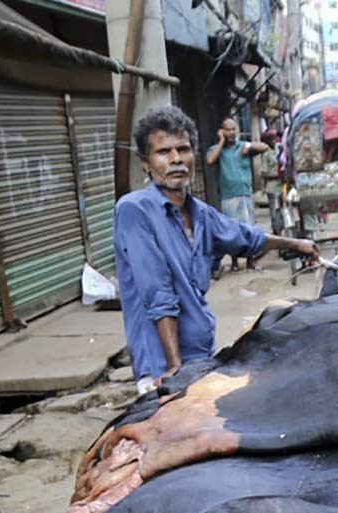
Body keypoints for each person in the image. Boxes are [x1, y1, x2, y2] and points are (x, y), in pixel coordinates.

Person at [114, 106, 319, 394]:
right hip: (164, 368)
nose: (176, 159)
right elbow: (157, 293)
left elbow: (247, 238)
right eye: (164, 152)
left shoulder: (200, 214)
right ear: (145, 163)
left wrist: (297, 244)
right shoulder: (134, 211)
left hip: (200, 356)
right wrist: (176, 369)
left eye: (183, 149)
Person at [206, 117, 268, 271]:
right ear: (222, 131)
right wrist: (220, 142)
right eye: (228, 129)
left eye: (234, 129)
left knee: (249, 228)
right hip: (229, 197)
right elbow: (209, 160)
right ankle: (234, 262)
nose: (232, 132)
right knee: (232, 231)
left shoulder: (243, 147)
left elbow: (264, 147)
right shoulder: (216, 150)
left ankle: (251, 260)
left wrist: (248, 145)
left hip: (245, 195)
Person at [259, 129, 282, 233]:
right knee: (274, 210)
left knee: (281, 209)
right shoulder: (266, 154)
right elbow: (263, 172)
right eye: (272, 139)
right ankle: (275, 229)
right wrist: (276, 175)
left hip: (281, 186)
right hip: (272, 186)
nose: (274, 141)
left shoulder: (278, 150)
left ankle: (281, 227)